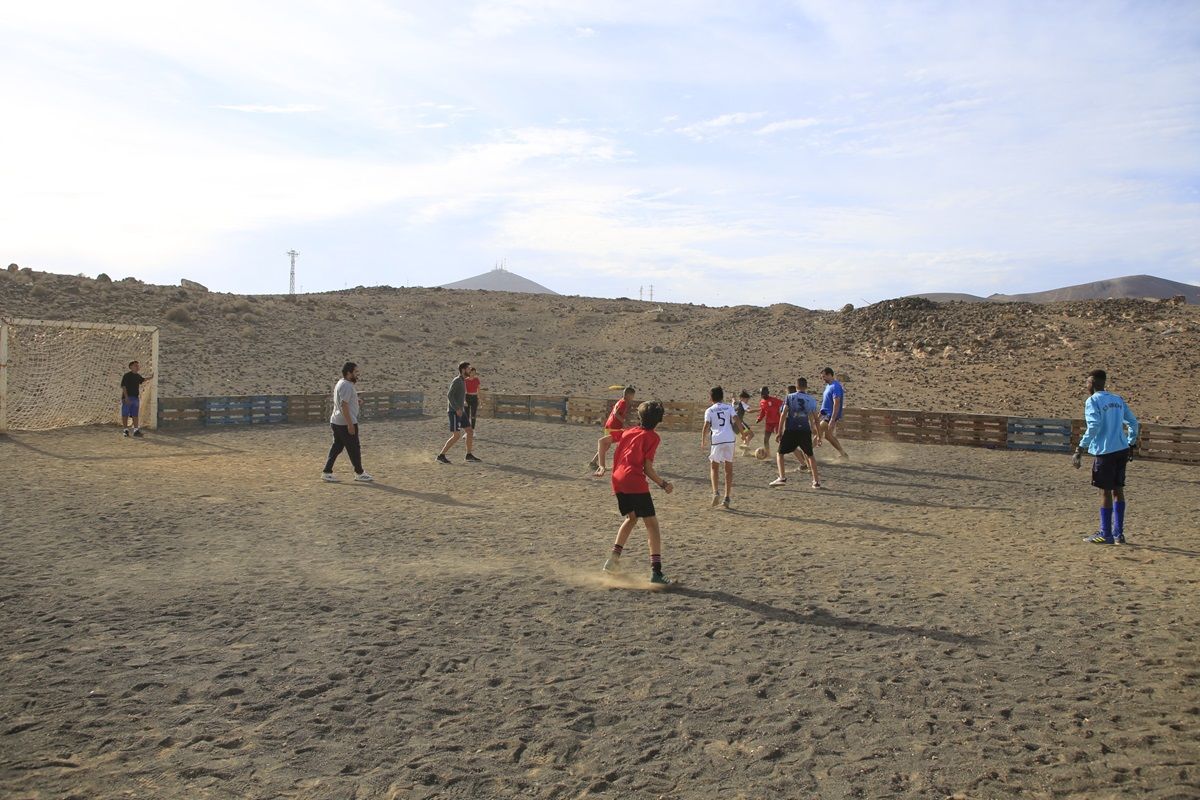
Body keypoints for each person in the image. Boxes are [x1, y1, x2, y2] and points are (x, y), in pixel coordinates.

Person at [601, 401, 675, 585]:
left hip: (617, 480)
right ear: (658, 420)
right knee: (652, 525)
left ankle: (613, 560)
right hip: (634, 481)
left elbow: (603, 441)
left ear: (639, 417)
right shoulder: (653, 437)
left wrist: (602, 465)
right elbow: (648, 469)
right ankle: (656, 572)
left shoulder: (629, 431)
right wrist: (663, 484)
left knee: (632, 518)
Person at [1073, 369, 1139, 544]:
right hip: (1122, 449)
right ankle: (1119, 534)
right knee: (1118, 490)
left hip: (1105, 451)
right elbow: (1133, 423)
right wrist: (1131, 442)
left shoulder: (1093, 401)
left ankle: (1105, 533)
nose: (1086, 386)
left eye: (1087, 382)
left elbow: (1094, 425)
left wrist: (1081, 447)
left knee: (1105, 491)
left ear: (1093, 383)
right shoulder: (1117, 399)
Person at [322, 361, 373, 482]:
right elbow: (344, 404)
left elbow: (345, 400)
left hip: (336, 421)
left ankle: (327, 472)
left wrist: (356, 400)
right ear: (349, 373)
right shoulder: (347, 386)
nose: (357, 374)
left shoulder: (341, 383)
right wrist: (350, 424)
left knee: (337, 447)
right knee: (354, 447)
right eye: (355, 372)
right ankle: (359, 473)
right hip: (345, 422)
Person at [770, 377, 822, 488]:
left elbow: (783, 414)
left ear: (796, 386)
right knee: (810, 455)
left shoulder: (789, 397)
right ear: (806, 387)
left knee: (780, 453)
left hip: (791, 430)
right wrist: (819, 436)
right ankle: (816, 482)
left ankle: (782, 478)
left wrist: (779, 432)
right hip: (804, 430)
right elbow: (816, 419)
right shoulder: (811, 400)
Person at [701, 386, 744, 509]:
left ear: (711, 397)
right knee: (728, 468)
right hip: (730, 438)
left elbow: (706, 425)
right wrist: (743, 433)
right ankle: (727, 497)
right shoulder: (729, 407)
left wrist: (703, 440)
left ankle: (715, 492)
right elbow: (737, 419)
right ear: (722, 397)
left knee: (714, 467)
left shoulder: (709, 410)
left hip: (717, 440)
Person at [437, 361, 480, 463]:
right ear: (463, 370)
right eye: (468, 369)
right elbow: (449, 395)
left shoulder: (463, 381)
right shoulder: (456, 380)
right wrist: (456, 408)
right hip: (454, 411)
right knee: (456, 435)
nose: (470, 371)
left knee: (469, 431)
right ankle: (441, 455)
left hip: (460, 411)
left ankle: (468, 455)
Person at [591, 386, 635, 476]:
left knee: (606, 446)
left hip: (611, 425)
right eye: (632, 396)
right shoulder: (623, 403)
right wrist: (624, 422)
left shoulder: (621, 401)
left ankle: (593, 462)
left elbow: (617, 413)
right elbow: (616, 413)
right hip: (613, 426)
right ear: (628, 395)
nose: (633, 398)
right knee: (615, 443)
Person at [817, 367, 849, 459]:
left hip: (830, 415)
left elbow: (837, 403)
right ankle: (843, 454)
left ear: (829, 375)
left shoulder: (836, 386)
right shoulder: (828, 386)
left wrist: (832, 419)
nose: (823, 378)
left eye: (824, 376)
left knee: (817, 430)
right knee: (828, 436)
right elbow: (825, 403)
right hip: (826, 414)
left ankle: (807, 453)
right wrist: (819, 415)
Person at [120, 360, 153, 437]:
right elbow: (123, 386)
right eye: (136, 365)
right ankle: (125, 430)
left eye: (138, 366)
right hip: (127, 398)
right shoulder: (127, 375)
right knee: (125, 414)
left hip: (135, 398)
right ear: (131, 367)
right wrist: (126, 397)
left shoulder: (137, 376)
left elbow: (142, 380)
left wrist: (151, 377)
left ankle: (136, 430)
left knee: (135, 415)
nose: (137, 367)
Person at [756, 386, 783, 456]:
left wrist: (784, 413)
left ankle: (781, 453)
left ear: (768, 393)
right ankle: (768, 454)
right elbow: (763, 411)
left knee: (779, 439)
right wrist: (759, 418)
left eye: (764, 393)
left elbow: (784, 404)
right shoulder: (762, 402)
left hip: (777, 422)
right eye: (762, 393)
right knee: (766, 439)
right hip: (768, 424)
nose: (763, 395)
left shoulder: (775, 400)